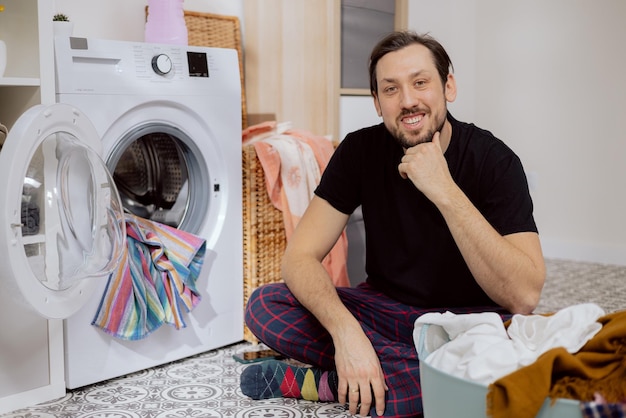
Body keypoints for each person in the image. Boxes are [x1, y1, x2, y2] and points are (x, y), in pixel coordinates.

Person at [239, 31, 545, 417]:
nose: (408, 101)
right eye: (391, 89)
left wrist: (445, 190)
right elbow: (300, 257)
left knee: (502, 359)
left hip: (470, 323)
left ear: (448, 86)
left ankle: (331, 384)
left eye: (420, 83)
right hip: (384, 310)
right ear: (377, 102)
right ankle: (395, 369)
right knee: (265, 304)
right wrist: (348, 335)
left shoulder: (496, 161)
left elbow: (524, 295)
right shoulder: (359, 151)